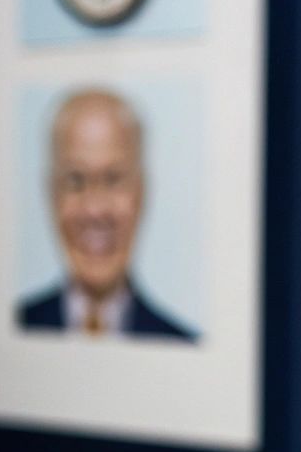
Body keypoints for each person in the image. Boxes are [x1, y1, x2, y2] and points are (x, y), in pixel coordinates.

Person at [18, 88, 195, 341]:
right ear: (51, 194)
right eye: (75, 181)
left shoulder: (179, 344)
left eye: (113, 180)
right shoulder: (15, 329)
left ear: (141, 192)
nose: (95, 210)